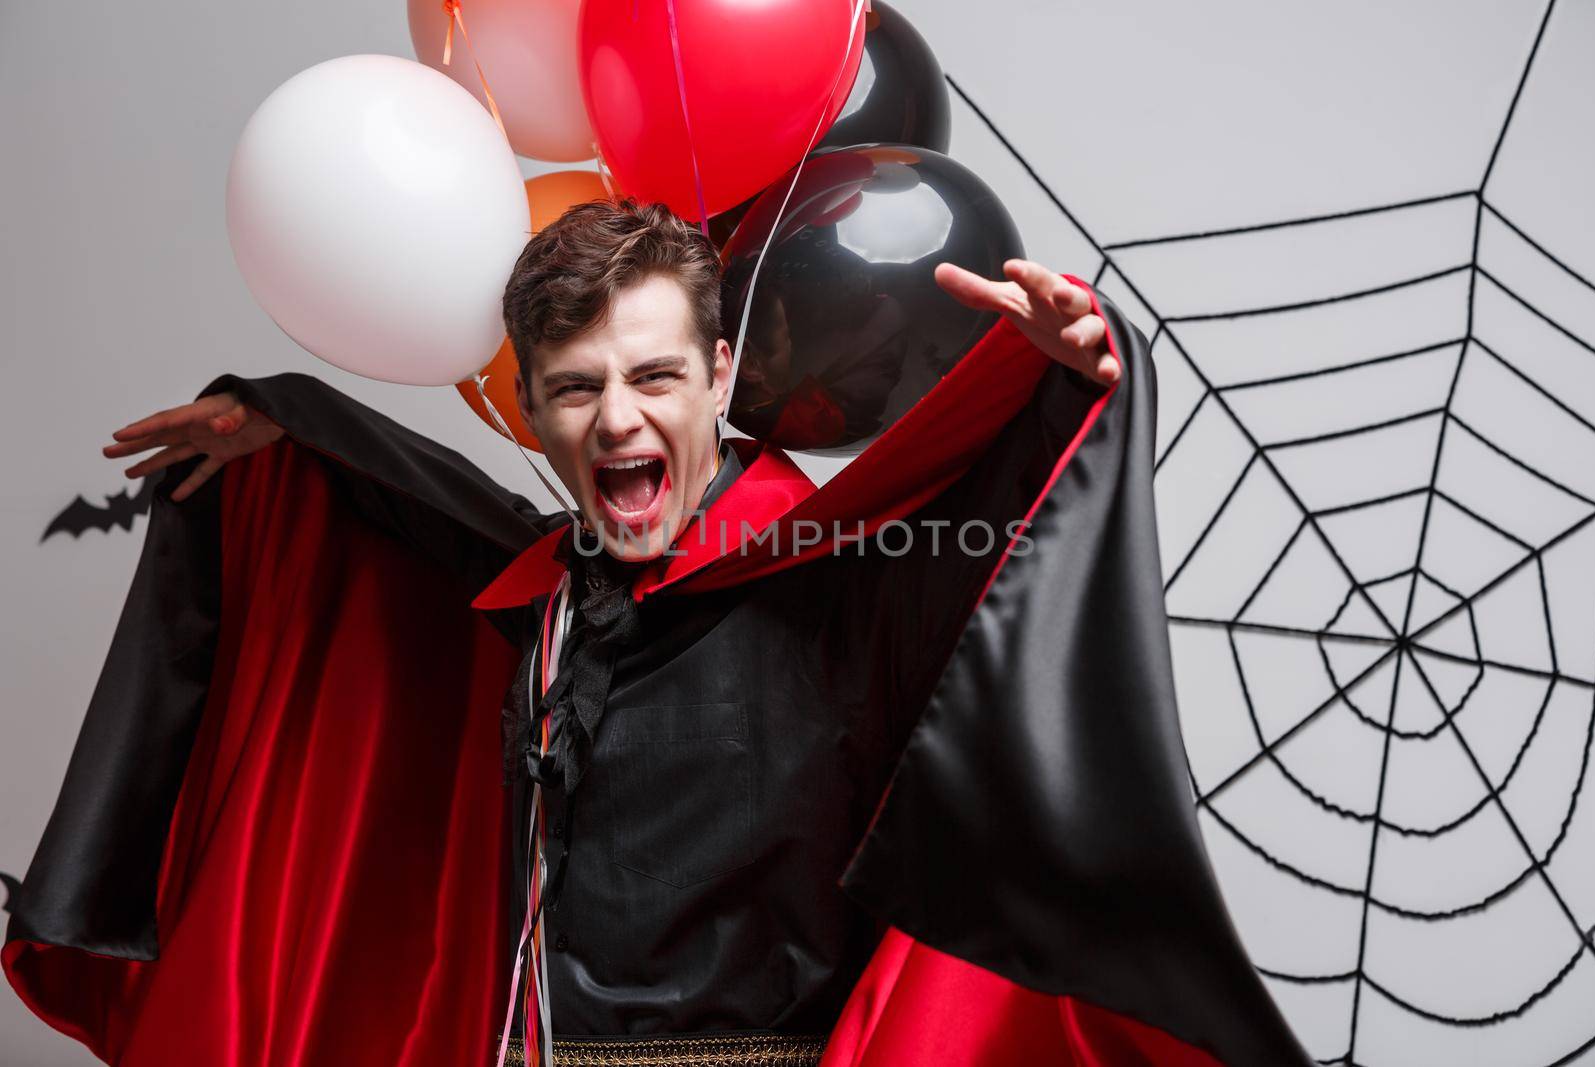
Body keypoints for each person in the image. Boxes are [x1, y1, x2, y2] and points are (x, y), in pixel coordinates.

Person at [4, 200, 1312, 1067]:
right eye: (576, 391)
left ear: (722, 380)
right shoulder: (544, 593)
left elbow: (1007, 569)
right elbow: (429, 516)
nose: (619, 421)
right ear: (533, 411)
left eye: (655, 378)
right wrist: (288, 423)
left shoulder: (843, 578)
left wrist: (1069, 383)